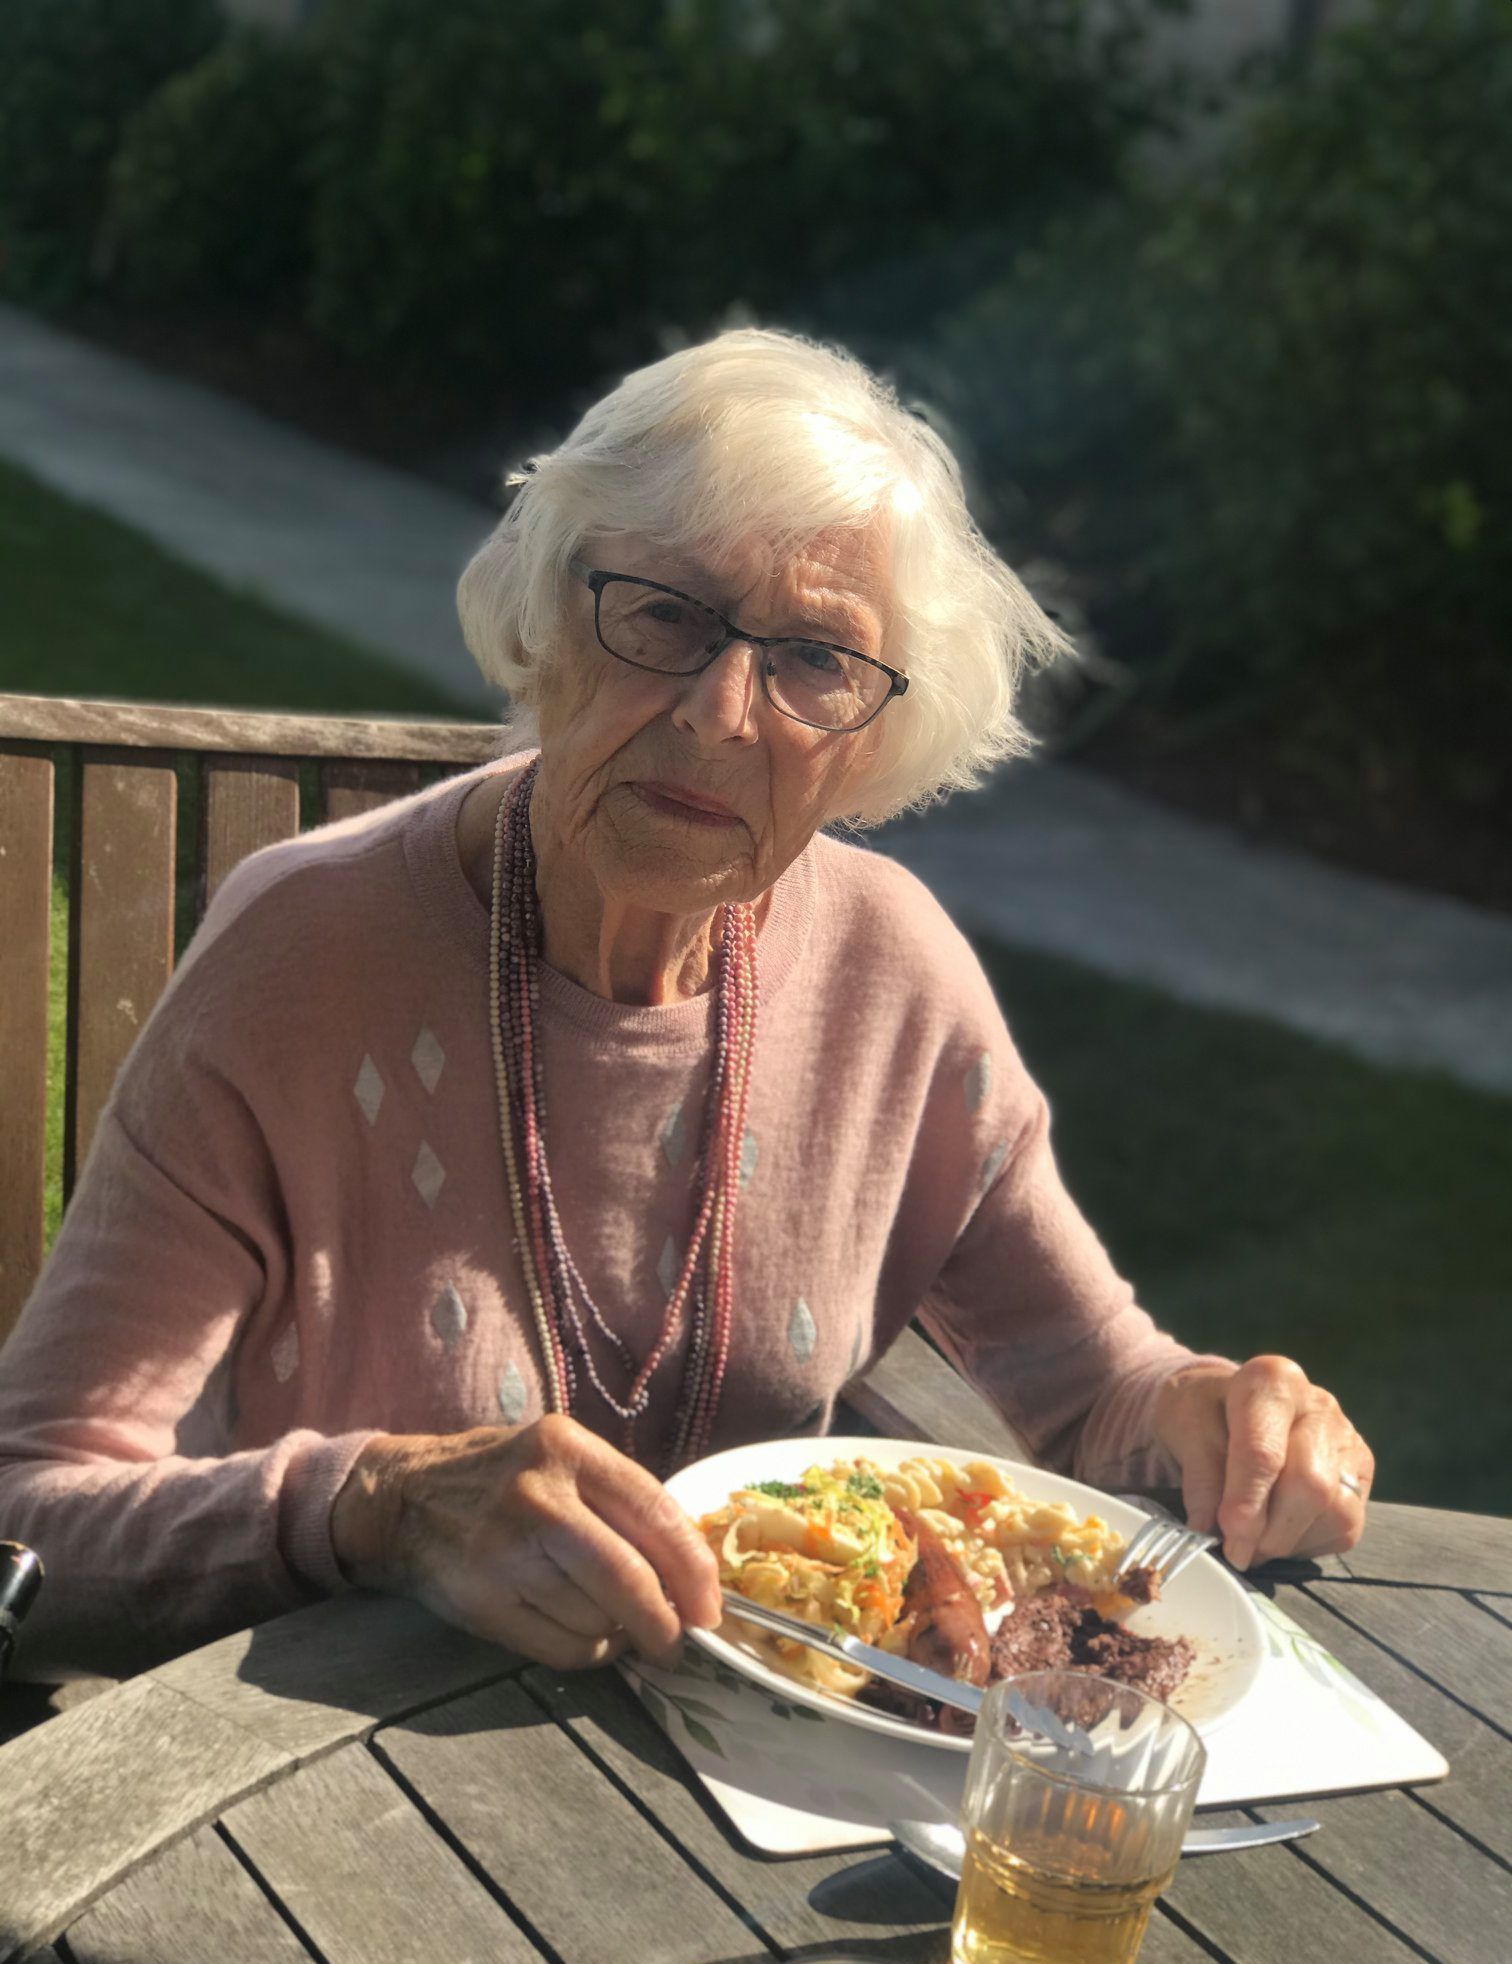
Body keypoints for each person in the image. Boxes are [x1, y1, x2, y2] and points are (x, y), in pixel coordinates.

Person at [0, 329, 1373, 1681]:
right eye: (665, 615)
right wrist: (378, 1505)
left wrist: (1229, 1418)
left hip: (766, 1805)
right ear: (547, 620)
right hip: (326, 1779)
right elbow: (28, 1513)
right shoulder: (301, 957)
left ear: (873, 750)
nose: (723, 711)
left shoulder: (893, 974)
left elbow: (1099, 1390)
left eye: (816, 661)